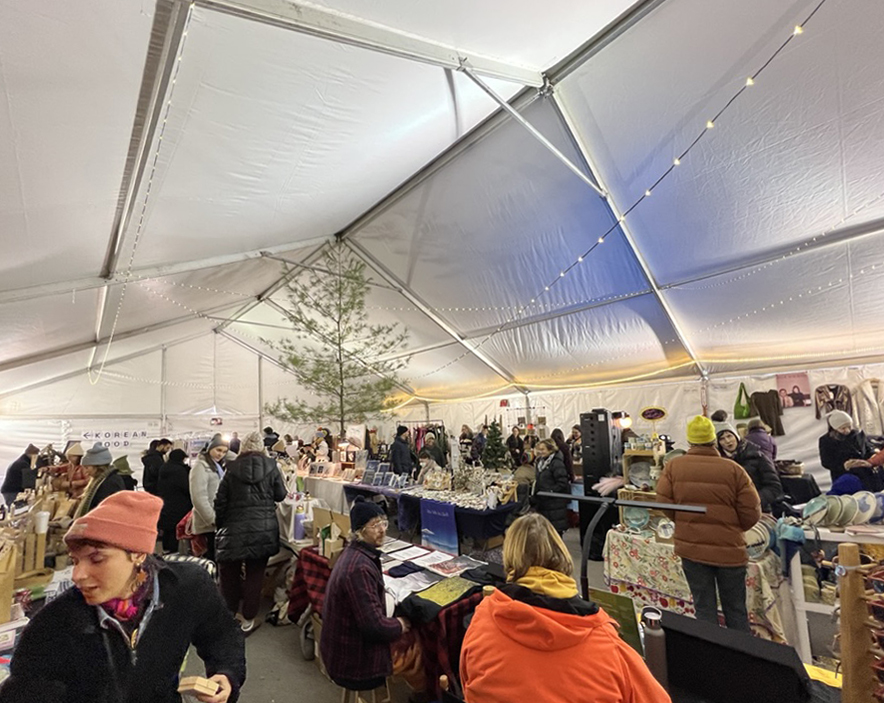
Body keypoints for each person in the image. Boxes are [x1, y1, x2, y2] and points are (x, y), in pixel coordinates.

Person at [0, 491, 245, 702]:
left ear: (138, 555)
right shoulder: (56, 624)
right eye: (75, 561)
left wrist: (226, 673)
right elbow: (24, 691)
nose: (78, 575)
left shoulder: (187, 587)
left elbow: (222, 634)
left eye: (97, 559)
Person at [460, 513, 670, 703]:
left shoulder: (484, 617)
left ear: (510, 557)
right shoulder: (605, 643)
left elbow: (467, 682)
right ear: (561, 553)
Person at [656, 416, 761, 632]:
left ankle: (708, 659)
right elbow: (752, 512)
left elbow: (664, 503)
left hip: (692, 548)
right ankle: (743, 659)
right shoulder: (734, 470)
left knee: (704, 608)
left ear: (689, 441)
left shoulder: (674, 467)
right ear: (714, 440)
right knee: (736, 610)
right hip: (729, 550)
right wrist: (733, 527)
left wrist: (685, 522)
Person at [320, 497, 411, 692]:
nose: (383, 529)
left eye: (383, 523)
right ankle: (426, 694)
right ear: (360, 532)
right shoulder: (359, 569)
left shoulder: (355, 555)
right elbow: (375, 627)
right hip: (353, 667)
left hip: (341, 655)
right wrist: (400, 625)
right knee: (418, 648)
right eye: (374, 525)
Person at [214, 432, 286, 635]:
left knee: (229, 574)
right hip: (263, 529)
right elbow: (281, 495)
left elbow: (220, 500)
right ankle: (248, 619)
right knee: (255, 575)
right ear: (262, 446)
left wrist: (221, 524)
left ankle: (229, 615)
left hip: (234, 528)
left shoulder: (231, 467)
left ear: (243, 447)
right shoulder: (272, 466)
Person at [716, 425, 784, 514]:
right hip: (732, 513)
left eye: (729, 436)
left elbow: (774, 486)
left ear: (736, 436)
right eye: (722, 439)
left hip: (760, 511)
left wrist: (755, 501)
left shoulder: (757, 455)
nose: (727, 441)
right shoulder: (720, 462)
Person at [189, 434, 229, 561]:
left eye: (224, 452)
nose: (220, 454)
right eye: (218, 450)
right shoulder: (200, 467)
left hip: (217, 522)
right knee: (210, 558)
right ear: (210, 448)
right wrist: (212, 519)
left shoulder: (217, 466)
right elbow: (198, 497)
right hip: (208, 523)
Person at [818, 409, 875, 483]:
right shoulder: (826, 440)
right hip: (842, 476)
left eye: (849, 426)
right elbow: (826, 461)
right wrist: (844, 465)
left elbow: (868, 450)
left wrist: (872, 459)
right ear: (835, 428)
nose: (847, 430)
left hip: (865, 475)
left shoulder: (859, 434)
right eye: (843, 428)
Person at [73, 443, 128, 519]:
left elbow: (104, 510)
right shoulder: (99, 480)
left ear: (98, 466)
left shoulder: (111, 483)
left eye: (87, 467)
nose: (85, 471)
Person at [530, 439, 570, 535]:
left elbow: (562, 483)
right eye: (539, 449)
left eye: (542, 449)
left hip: (555, 504)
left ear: (550, 449)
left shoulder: (557, 463)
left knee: (555, 533)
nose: (540, 451)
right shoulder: (540, 462)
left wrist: (550, 491)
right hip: (544, 503)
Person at [157, 449, 192, 554]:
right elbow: (186, 487)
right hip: (179, 502)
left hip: (166, 500)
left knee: (167, 526)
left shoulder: (164, 468)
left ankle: (166, 549)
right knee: (175, 527)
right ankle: (173, 550)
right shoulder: (179, 470)